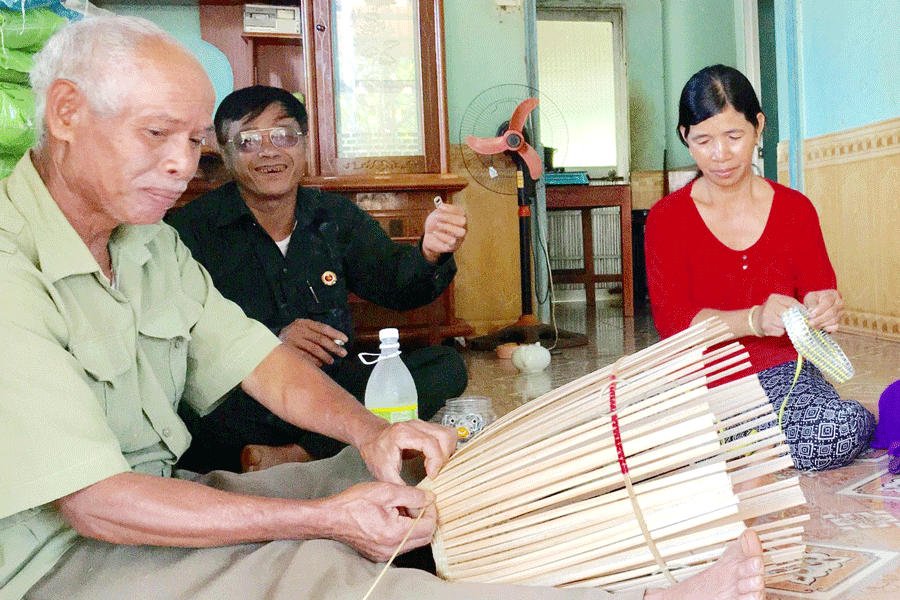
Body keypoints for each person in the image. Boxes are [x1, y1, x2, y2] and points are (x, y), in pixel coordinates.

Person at [1, 16, 767, 600]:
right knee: (319, 563)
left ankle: (603, 565)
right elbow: (96, 505)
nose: (181, 163)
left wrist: (369, 436)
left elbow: (260, 361)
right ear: (66, 112)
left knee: (389, 484)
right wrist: (321, 522)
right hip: (59, 556)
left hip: (163, 487)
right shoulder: (16, 261)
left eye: (193, 140)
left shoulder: (148, 243)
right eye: (157, 134)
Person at [166, 85, 469, 473]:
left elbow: (396, 285)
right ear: (224, 153)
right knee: (184, 411)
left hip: (332, 390)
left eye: (284, 135)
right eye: (248, 141)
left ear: (305, 145)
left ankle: (300, 453)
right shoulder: (190, 230)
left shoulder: (334, 217)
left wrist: (430, 252)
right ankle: (317, 448)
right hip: (243, 396)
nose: (269, 151)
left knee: (444, 365)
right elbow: (179, 341)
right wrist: (272, 342)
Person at [645, 64, 876, 471]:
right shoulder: (667, 219)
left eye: (734, 136)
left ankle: (755, 446)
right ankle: (750, 447)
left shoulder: (794, 210)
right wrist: (753, 319)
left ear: (758, 127)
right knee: (643, 454)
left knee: (832, 434)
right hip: (704, 380)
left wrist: (825, 306)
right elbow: (673, 321)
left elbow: (819, 289)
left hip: (785, 372)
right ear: (685, 138)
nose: (720, 155)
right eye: (703, 140)